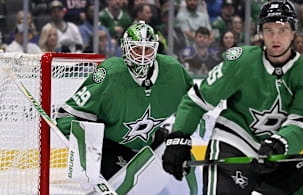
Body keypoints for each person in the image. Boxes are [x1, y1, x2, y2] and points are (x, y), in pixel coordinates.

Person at [162, 0, 303, 194]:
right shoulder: (241, 61)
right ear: (260, 33)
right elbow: (198, 100)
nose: (275, 37)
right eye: (268, 30)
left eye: (282, 30)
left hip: (277, 155)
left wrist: (281, 143)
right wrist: (178, 137)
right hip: (234, 144)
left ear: (293, 33)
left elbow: (302, 119)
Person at [56, 22, 199, 194]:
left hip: (149, 141)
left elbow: (196, 103)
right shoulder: (110, 74)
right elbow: (67, 115)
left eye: (148, 50)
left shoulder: (173, 70)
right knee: (127, 186)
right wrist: (85, 157)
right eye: (137, 49)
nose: (143, 57)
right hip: (110, 146)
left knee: (187, 166)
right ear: (125, 49)